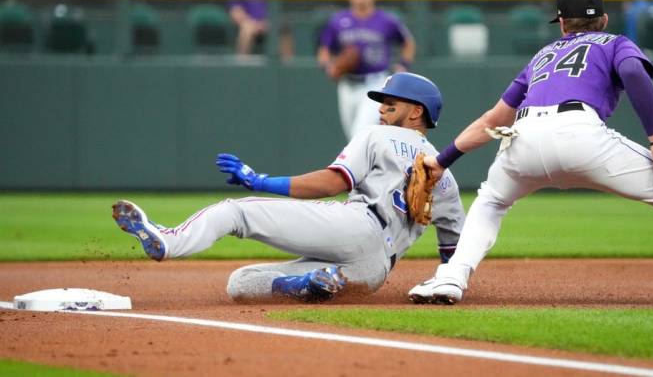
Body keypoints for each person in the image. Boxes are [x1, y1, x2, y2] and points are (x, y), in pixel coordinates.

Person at [408, 0, 653, 309]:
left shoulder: (542, 55)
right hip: (581, 135)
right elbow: (635, 72)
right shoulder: (614, 42)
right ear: (603, 20)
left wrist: (443, 161)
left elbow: (494, 120)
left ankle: (451, 277)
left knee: (490, 201)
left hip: (523, 138)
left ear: (561, 22)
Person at [111, 72, 464, 303]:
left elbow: (332, 183)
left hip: (355, 227)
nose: (382, 112)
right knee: (241, 284)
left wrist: (259, 181)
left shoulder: (377, 135)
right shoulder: (445, 174)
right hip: (375, 270)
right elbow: (454, 250)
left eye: (390, 105)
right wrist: (448, 282)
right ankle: (311, 282)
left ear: (416, 112)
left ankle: (168, 240)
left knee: (237, 211)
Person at [317, 0, 417, 141]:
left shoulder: (387, 20)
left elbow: (408, 42)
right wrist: (328, 66)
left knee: (360, 134)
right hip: (347, 85)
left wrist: (403, 64)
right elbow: (324, 50)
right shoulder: (338, 21)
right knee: (355, 139)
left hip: (375, 84)